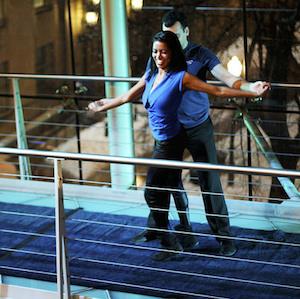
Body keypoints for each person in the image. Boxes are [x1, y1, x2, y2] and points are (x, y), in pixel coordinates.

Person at [88, 31, 269, 261]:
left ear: (173, 52)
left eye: (163, 51)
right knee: (160, 192)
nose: (158, 56)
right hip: (161, 141)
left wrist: (251, 91)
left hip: (171, 142)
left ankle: (183, 241)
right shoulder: (152, 73)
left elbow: (218, 90)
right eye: (155, 51)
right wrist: (102, 105)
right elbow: (126, 97)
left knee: (154, 192)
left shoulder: (181, 76)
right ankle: (175, 238)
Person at [133, 10, 271, 257]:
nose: (169, 41)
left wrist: (251, 87)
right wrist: (114, 100)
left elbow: (227, 79)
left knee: (210, 182)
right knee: (166, 182)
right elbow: (145, 82)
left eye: (174, 35)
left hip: (198, 127)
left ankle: (224, 238)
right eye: (166, 36)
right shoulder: (161, 53)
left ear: (186, 32)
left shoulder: (200, 54)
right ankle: (169, 232)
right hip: (170, 129)